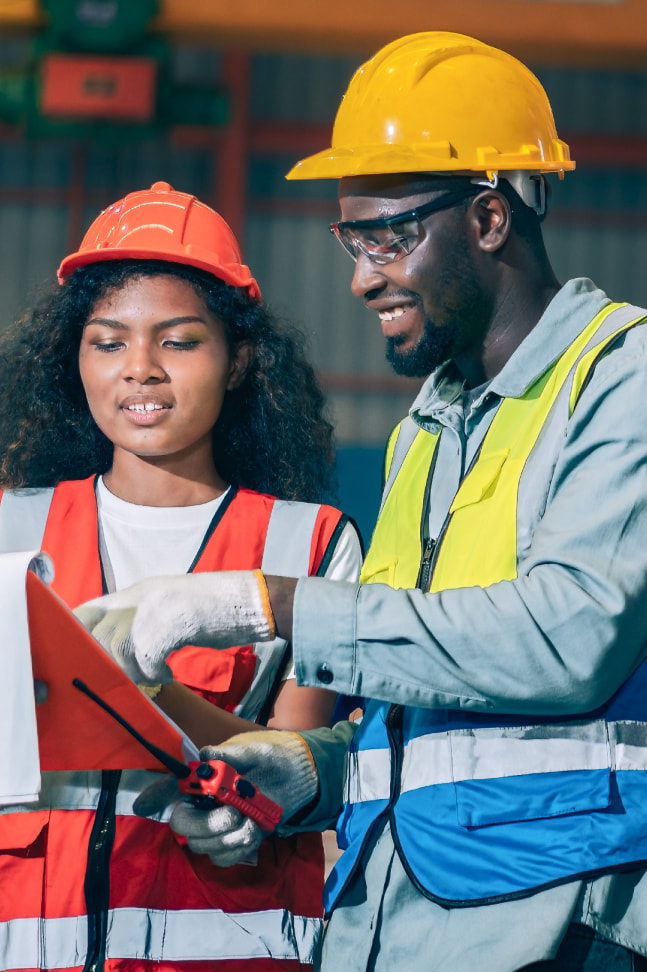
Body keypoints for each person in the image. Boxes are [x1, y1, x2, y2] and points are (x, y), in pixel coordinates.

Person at [76, 33, 647, 972]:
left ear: (490, 219)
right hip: (396, 927)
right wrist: (307, 769)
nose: (361, 276)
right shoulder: (429, 425)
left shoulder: (618, 377)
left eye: (387, 236)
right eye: (352, 240)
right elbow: (421, 710)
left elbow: (567, 639)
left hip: (557, 923)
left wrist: (267, 603)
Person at [0, 180, 362, 971]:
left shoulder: (306, 546)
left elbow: (298, 766)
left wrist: (142, 702)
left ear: (236, 363)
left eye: (179, 340)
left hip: (224, 945)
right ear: (74, 360)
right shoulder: (9, 528)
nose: (140, 370)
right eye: (108, 342)